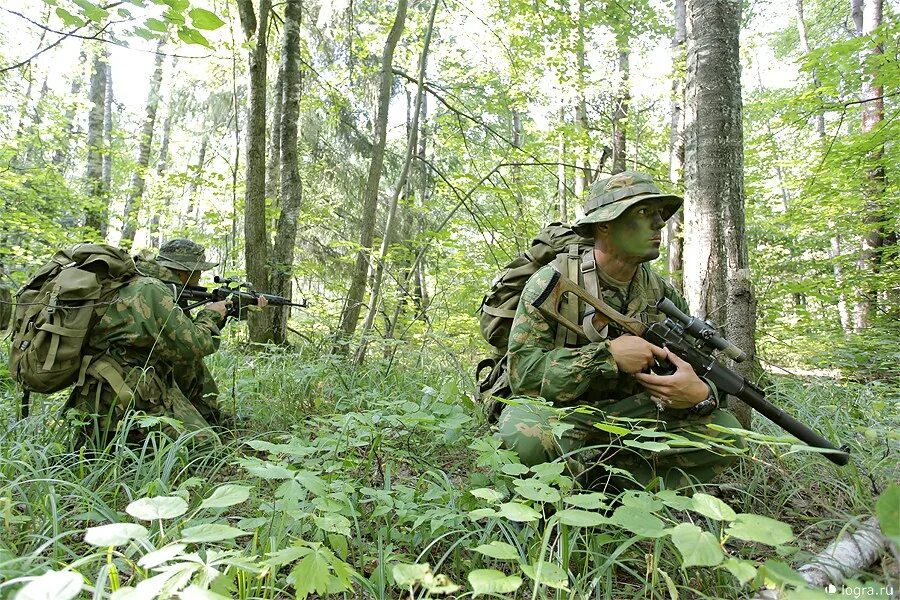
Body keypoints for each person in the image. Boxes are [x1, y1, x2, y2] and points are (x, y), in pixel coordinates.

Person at [496, 171, 743, 491]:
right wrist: (606, 356)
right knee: (526, 438)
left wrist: (701, 394)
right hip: (564, 415)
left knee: (728, 436)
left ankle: (611, 489)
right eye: (644, 213)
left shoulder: (662, 296)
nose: (659, 223)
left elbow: (699, 364)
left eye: (659, 214)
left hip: (635, 414)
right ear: (604, 225)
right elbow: (523, 375)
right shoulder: (553, 284)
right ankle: (558, 492)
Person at [66, 238, 261, 445]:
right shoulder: (153, 290)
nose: (200, 276)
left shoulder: (138, 281)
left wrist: (225, 312)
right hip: (125, 392)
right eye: (198, 271)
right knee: (205, 447)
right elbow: (195, 344)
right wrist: (210, 315)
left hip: (111, 383)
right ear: (185, 272)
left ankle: (209, 416)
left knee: (189, 364)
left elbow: (178, 342)